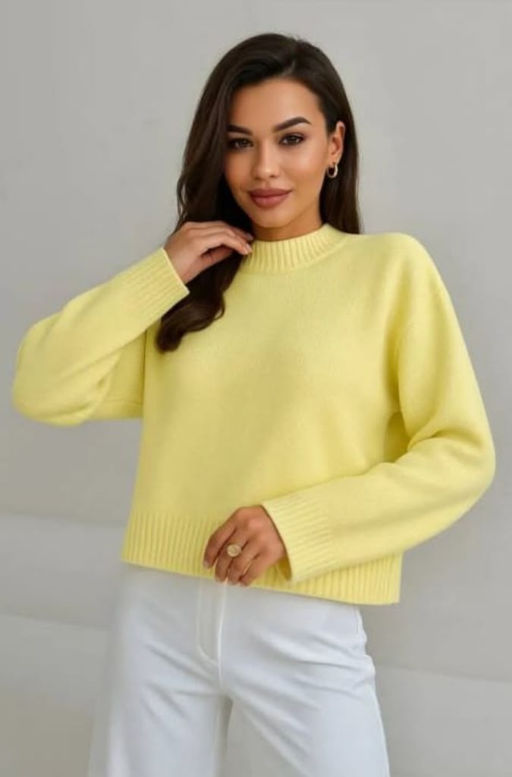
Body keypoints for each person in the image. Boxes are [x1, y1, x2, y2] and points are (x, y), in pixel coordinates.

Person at [11, 32, 495, 777]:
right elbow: (42, 385)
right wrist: (161, 271)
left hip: (303, 612)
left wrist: (295, 525)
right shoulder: (194, 291)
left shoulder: (389, 271)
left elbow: (461, 455)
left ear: (335, 145)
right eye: (240, 143)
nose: (264, 168)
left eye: (290, 139)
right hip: (160, 609)